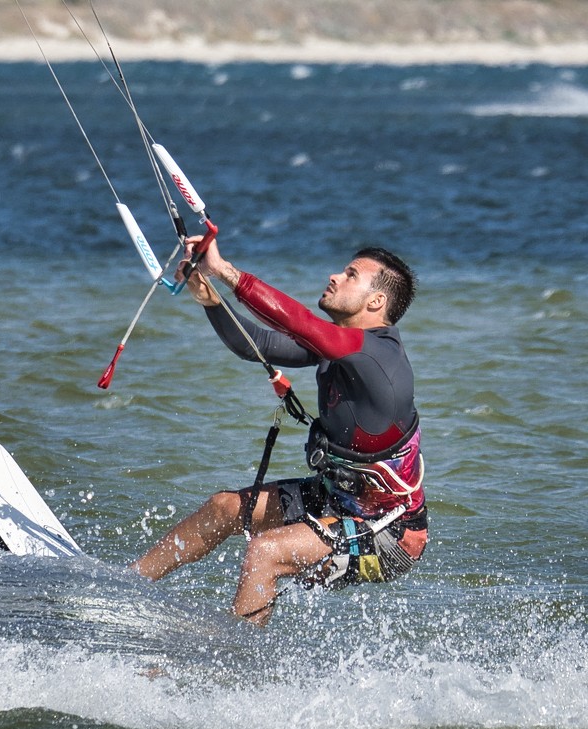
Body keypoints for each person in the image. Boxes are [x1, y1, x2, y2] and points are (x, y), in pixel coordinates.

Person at [131, 237, 428, 626]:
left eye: (351, 275)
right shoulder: (339, 349)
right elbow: (257, 344)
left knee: (266, 552)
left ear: (376, 302)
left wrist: (225, 271)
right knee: (225, 508)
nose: (335, 276)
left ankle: (232, 666)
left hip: (391, 533)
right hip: (336, 499)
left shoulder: (379, 357)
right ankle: (127, 585)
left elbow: (297, 321)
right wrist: (209, 298)